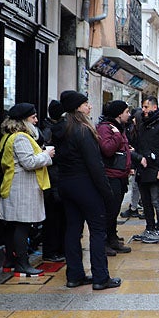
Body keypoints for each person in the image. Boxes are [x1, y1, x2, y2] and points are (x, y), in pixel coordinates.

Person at [50, 90, 120, 291]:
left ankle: (74, 275)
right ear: (78, 107)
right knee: (97, 230)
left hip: (66, 184)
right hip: (85, 185)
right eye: (86, 103)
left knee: (73, 229)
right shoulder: (82, 130)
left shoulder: (61, 129)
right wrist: (107, 192)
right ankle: (100, 277)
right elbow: (95, 165)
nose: (89, 106)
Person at [0, 102, 54, 276]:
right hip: (22, 187)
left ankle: (10, 261)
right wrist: (47, 154)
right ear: (23, 120)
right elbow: (29, 162)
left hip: (14, 185)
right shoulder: (21, 137)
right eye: (33, 117)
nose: (36, 120)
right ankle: (22, 264)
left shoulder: (9, 136)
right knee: (22, 225)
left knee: (12, 225)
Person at [96, 100, 140, 255]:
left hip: (120, 175)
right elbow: (107, 149)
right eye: (127, 112)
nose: (129, 115)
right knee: (109, 210)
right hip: (111, 175)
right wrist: (116, 136)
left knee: (114, 210)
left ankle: (112, 238)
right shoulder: (106, 128)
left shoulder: (119, 128)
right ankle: (105, 241)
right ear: (119, 113)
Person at [132, 96, 159, 243]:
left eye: (145, 107)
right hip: (143, 169)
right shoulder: (143, 124)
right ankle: (150, 228)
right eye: (143, 107)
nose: (143, 110)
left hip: (156, 169)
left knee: (157, 200)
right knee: (146, 201)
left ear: (154, 107)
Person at [37, 100, 66, 263]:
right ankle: (53, 250)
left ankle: (53, 249)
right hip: (56, 177)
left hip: (51, 177)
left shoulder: (45, 128)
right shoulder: (60, 129)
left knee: (53, 218)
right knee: (56, 218)